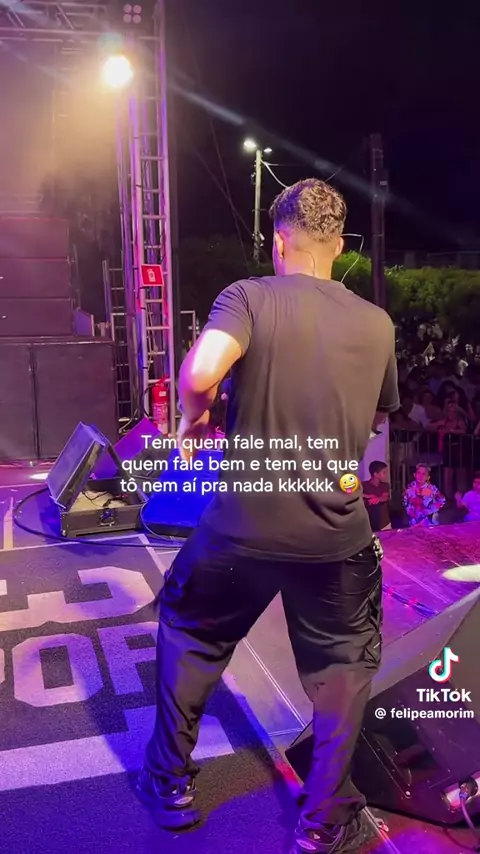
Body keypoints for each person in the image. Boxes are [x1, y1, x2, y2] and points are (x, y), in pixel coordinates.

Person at [136, 178, 399, 854]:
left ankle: (170, 786)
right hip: (335, 534)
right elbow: (374, 417)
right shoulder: (377, 323)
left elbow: (202, 371)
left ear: (279, 241)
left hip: (243, 527)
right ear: (338, 245)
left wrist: (195, 419)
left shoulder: (248, 296)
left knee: (190, 633)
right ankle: (324, 822)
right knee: (343, 669)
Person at [362, 461, 391, 531]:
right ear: (376, 474)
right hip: (369, 523)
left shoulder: (385, 485)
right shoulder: (364, 485)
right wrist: (368, 496)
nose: (386, 475)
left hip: (384, 523)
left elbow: (384, 497)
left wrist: (376, 499)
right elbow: (354, 494)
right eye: (384, 472)